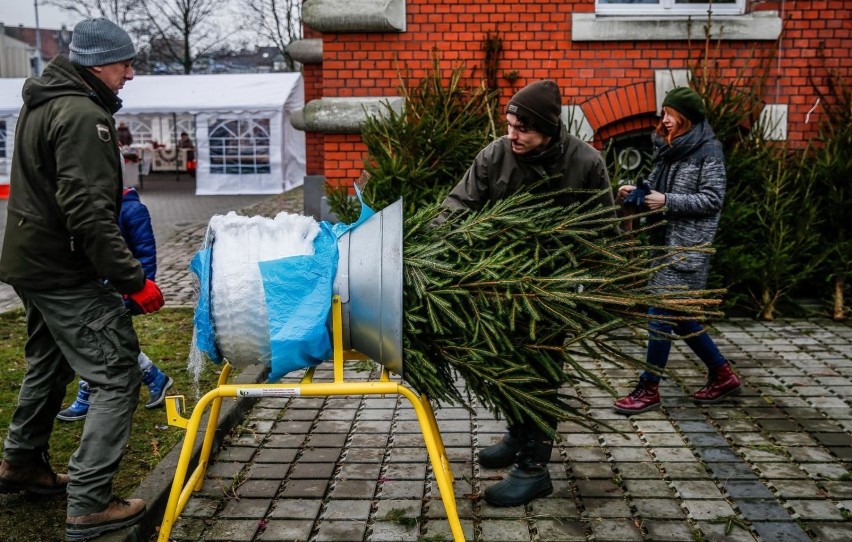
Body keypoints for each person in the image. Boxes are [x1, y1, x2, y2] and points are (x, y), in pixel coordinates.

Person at [0, 17, 164, 541]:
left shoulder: (44, 100)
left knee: (48, 365)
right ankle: (90, 503)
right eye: (125, 63)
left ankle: (22, 462)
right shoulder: (81, 115)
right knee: (116, 373)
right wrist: (132, 279)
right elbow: (90, 213)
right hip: (63, 269)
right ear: (98, 62)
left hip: (32, 263)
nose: (131, 74)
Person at [441, 80, 615, 507]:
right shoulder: (495, 155)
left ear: (548, 131)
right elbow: (457, 207)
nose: (513, 135)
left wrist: (596, 296)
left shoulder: (586, 163)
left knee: (540, 375)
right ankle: (518, 435)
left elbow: (605, 234)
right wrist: (431, 249)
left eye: (523, 129)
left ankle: (533, 470)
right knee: (505, 363)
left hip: (550, 294)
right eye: (510, 124)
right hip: (498, 285)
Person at [612, 86, 740, 415]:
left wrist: (666, 200)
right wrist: (636, 193)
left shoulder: (708, 151)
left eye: (670, 114)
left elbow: (713, 199)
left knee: (660, 313)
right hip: (663, 245)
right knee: (681, 316)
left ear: (687, 117)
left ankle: (649, 388)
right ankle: (723, 374)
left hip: (686, 248)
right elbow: (654, 189)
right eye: (664, 114)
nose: (664, 120)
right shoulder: (671, 149)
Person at [57, 187, 174, 421]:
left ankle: (88, 393)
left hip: (120, 288)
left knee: (100, 342)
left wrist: (140, 285)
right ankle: (153, 376)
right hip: (94, 285)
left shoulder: (132, 209)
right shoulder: (94, 204)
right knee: (106, 341)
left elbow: (145, 252)